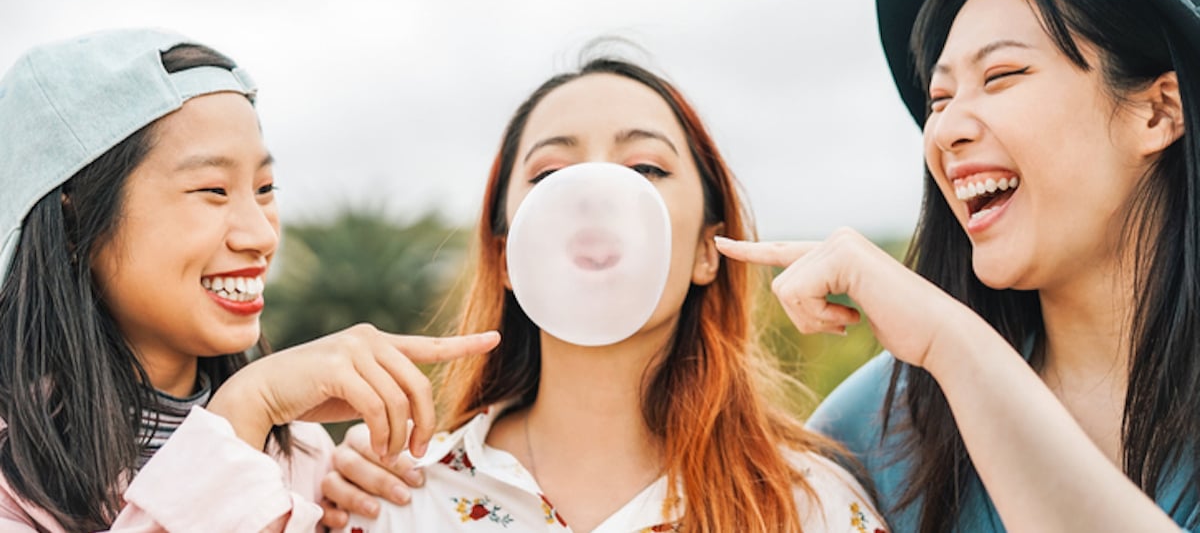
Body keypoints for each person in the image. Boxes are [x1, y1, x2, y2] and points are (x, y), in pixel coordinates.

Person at [717, 0, 1200, 532]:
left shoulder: (945, 353)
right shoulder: (872, 432)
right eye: (939, 100)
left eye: (1001, 77)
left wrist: (953, 343)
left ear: (1159, 110)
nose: (944, 132)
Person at [330, 56, 887, 532]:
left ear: (706, 249)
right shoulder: (393, 498)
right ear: (506, 257)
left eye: (645, 167)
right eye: (549, 174)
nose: (595, 195)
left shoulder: (809, 508)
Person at [0, 29, 499, 531]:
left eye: (264, 188)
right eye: (213, 189)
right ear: (73, 224)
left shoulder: (303, 456)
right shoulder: (11, 480)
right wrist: (242, 411)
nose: (261, 235)